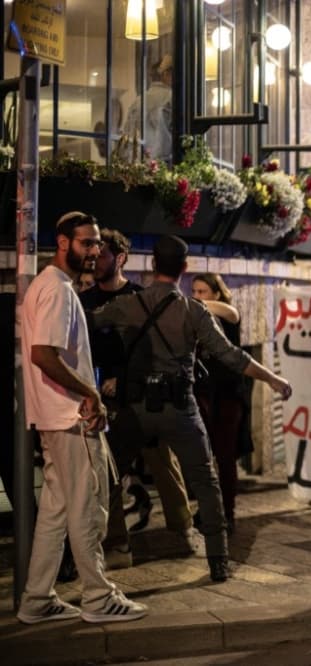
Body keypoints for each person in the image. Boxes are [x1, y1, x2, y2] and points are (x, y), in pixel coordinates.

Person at [89, 235, 293, 582]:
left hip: (137, 408)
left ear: (153, 265)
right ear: (185, 268)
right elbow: (231, 356)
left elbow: (86, 322)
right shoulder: (193, 310)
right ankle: (218, 560)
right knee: (205, 481)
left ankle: (88, 552)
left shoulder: (130, 305)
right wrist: (272, 378)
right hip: (180, 408)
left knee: (106, 478)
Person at [17, 211, 147, 624]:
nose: (94, 251)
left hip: (54, 418)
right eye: (85, 243)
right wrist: (89, 392)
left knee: (55, 512)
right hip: (71, 418)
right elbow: (43, 354)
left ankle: (37, 598)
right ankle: (98, 597)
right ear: (62, 243)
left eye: (96, 244)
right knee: (89, 509)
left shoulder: (49, 286)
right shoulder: (58, 291)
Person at [79, 228, 193, 566]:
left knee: (163, 461)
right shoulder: (84, 301)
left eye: (103, 254)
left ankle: (182, 528)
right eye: (94, 252)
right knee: (108, 470)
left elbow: (153, 351)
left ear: (121, 258)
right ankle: (117, 542)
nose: (96, 260)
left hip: (143, 395)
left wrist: (122, 377)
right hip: (100, 399)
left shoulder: (142, 299)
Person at [191, 272, 251, 533]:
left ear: (216, 293)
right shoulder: (194, 319)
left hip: (227, 396)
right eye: (194, 291)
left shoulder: (227, 316)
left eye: (202, 291)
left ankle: (227, 512)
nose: (197, 296)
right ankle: (206, 509)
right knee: (203, 457)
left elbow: (230, 313)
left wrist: (192, 305)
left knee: (225, 456)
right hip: (204, 393)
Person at [122, 54, 173, 162]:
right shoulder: (172, 98)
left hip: (138, 163)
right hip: (164, 165)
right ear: (165, 74)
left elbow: (127, 136)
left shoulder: (137, 101)